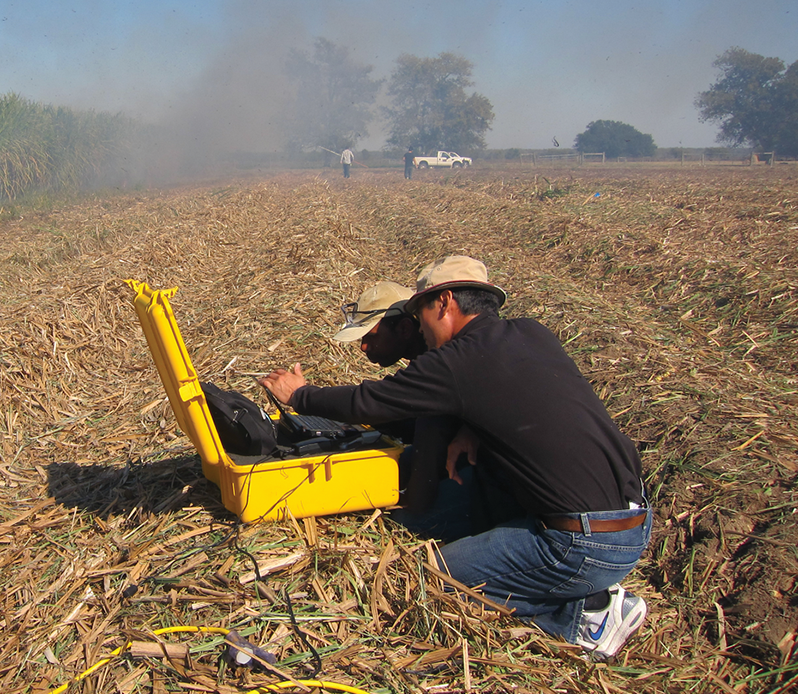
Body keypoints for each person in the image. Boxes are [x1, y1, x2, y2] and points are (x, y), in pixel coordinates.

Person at [261, 255, 651, 660]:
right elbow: (527, 399)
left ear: (444, 303)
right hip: (635, 518)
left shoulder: (454, 362)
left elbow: (369, 402)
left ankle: (583, 613)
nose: (421, 326)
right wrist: (471, 426)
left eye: (421, 311)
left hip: (584, 541)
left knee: (436, 579)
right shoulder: (530, 333)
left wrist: (300, 395)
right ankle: (580, 583)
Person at [332, 282, 455, 519]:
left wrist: (412, 513)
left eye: (371, 336)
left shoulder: (437, 369)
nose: (364, 347)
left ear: (405, 328)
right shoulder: (426, 360)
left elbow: (430, 439)